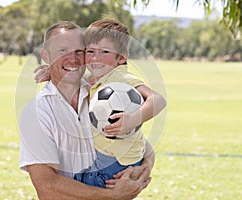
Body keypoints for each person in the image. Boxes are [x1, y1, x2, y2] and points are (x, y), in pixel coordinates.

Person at [19, 21, 153, 199]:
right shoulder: (36, 113)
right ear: (46, 55)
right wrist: (113, 196)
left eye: (79, 51)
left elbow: (137, 140)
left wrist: (146, 166)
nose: (73, 59)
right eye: (62, 51)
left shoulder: (104, 93)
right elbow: (47, 188)